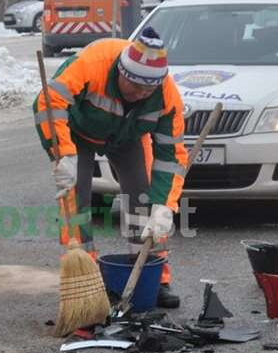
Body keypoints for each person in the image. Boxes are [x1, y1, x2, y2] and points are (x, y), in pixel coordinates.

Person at [33, 27, 187, 309]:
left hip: (128, 137)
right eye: (135, 87)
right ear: (121, 73)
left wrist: (165, 205)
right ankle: (85, 280)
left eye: (148, 90)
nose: (141, 94)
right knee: (75, 198)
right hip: (79, 132)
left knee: (144, 200)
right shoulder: (92, 63)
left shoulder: (166, 95)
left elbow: (171, 157)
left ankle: (153, 278)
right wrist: (63, 155)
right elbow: (48, 103)